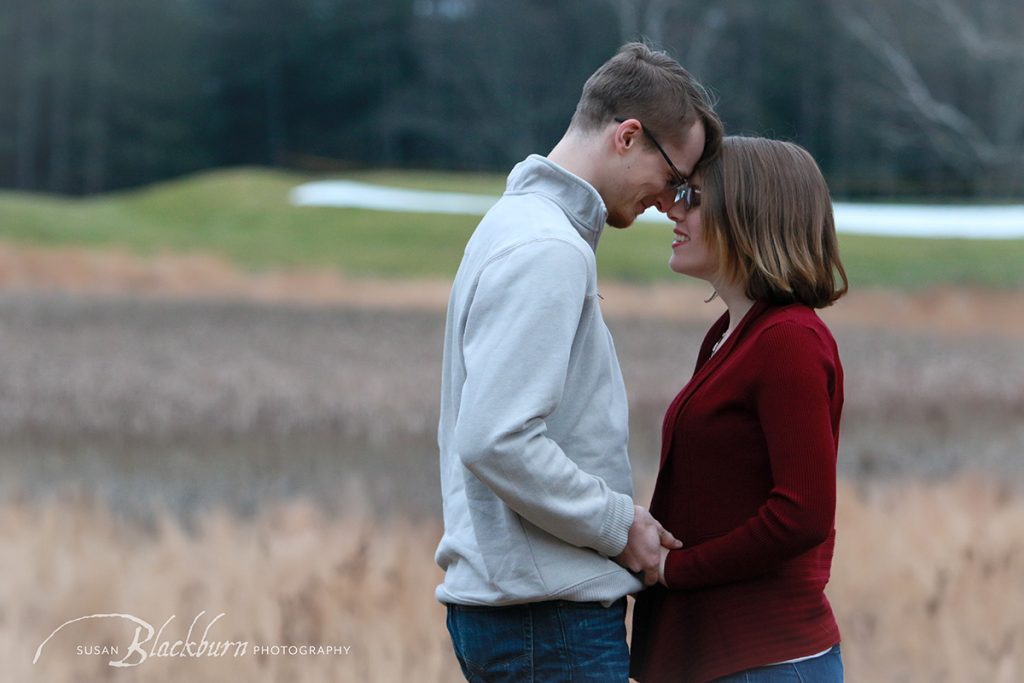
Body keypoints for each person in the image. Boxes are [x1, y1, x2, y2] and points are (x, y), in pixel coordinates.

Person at [436, 42, 723, 681]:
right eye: (674, 177)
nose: (671, 202)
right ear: (628, 136)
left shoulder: (515, 225)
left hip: (528, 616)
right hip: (547, 620)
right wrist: (620, 525)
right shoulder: (547, 248)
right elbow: (495, 438)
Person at [629, 136, 849, 682]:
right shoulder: (730, 335)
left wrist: (676, 569)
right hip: (721, 655)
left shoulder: (789, 340)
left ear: (751, 214)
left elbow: (802, 514)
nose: (672, 210)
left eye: (696, 198)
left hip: (764, 659)